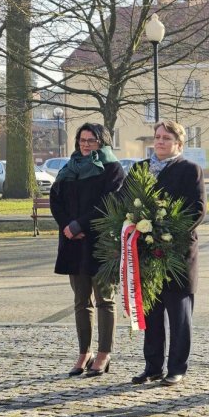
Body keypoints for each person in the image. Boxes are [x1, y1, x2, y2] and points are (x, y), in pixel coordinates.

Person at [130, 120, 206, 387]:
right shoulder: (140, 169)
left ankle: (176, 368)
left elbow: (197, 209)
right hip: (147, 253)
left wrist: (167, 233)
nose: (160, 141)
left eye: (166, 138)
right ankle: (152, 366)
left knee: (179, 314)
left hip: (177, 254)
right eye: (157, 137)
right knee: (151, 313)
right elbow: (124, 200)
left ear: (178, 143)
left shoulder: (189, 169)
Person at [50, 123, 125, 378]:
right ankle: (84, 352)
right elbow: (55, 199)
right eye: (82, 139)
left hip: (101, 241)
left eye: (91, 140)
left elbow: (110, 202)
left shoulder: (112, 168)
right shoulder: (69, 167)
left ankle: (104, 353)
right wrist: (67, 226)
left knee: (104, 299)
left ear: (101, 142)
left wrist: (80, 224)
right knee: (81, 301)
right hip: (73, 241)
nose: (85, 144)